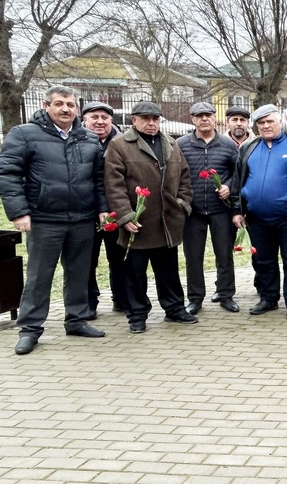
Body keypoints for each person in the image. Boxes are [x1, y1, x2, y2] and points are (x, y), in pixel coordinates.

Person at [0, 86, 109, 354]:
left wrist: (102, 209)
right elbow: (8, 174)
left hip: (82, 219)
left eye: (70, 105)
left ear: (77, 109)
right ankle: (30, 329)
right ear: (46, 105)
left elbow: (98, 179)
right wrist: (19, 211)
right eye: (59, 104)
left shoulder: (88, 138)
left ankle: (77, 319)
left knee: (80, 273)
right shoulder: (24, 135)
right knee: (39, 276)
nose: (65, 109)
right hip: (44, 218)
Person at [104, 101, 196, 334]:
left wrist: (183, 204)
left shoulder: (171, 144)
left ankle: (174, 308)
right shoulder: (119, 146)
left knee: (168, 271)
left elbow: (184, 177)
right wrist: (125, 216)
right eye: (145, 119)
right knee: (134, 273)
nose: (151, 123)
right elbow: (114, 186)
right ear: (134, 120)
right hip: (138, 224)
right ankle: (137, 315)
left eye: (155, 119)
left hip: (167, 223)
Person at [232, 104, 287, 321]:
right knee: (263, 260)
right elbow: (239, 180)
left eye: (270, 122)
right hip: (256, 217)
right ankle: (268, 297)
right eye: (261, 123)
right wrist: (237, 210)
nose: (265, 126)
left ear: (280, 122)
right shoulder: (248, 147)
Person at [176, 101, 240, 314]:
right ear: (192, 119)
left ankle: (226, 294)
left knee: (224, 255)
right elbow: (176, 175)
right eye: (199, 115)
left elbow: (237, 173)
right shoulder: (182, 144)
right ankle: (195, 298)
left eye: (208, 115)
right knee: (193, 256)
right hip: (193, 211)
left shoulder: (228, 144)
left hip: (220, 209)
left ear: (215, 118)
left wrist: (229, 187)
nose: (204, 119)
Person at [81, 100, 129, 318]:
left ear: (111, 120)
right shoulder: (75, 141)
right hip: (85, 212)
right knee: (86, 260)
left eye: (104, 118)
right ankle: (89, 301)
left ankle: (121, 298)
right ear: (84, 120)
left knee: (118, 257)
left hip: (114, 211)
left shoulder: (122, 143)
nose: (100, 122)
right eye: (94, 118)